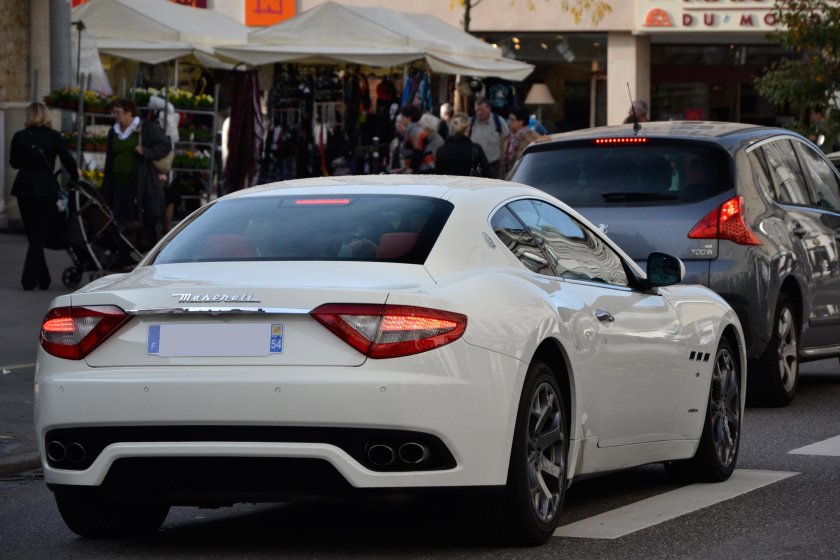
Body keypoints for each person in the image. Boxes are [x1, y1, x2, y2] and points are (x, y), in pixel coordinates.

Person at [9, 102, 79, 291]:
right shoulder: (54, 137)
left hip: (24, 188)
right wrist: (77, 179)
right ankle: (31, 281)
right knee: (38, 235)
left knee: (34, 235)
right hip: (46, 188)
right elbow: (68, 161)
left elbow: (14, 163)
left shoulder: (20, 137)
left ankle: (40, 279)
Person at [100, 98, 171, 247]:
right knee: (119, 219)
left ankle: (144, 248)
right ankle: (122, 250)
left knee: (140, 218)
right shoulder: (114, 131)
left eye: (118, 112)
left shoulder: (146, 128)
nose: (115, 116)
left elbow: (165, 145)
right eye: (113, 112)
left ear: (129, 113)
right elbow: (110, 158)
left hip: (140, 183)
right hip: (118, 183)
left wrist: (146, 151)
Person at [434, 112, 491, 177]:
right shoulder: (476, 150)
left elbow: (438, 177)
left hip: (448, 186)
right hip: (470, 186)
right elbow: (487, 174)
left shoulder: (441, 151)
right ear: (468, 128)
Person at [470, 96, 509, 179]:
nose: (479, 113)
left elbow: (507, 139)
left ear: (489, 108)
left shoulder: (498, 121)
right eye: (477, 110)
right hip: (476, 167)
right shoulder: (471, 123)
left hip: (494, 166)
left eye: (482, 110)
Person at [499, 107, 542, 179]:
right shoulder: (507, 138)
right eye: (509, 119)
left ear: (521, 121)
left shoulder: (531, 137)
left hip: (526, 176)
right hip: (508, 177)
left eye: (512, 120)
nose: (509, 122)